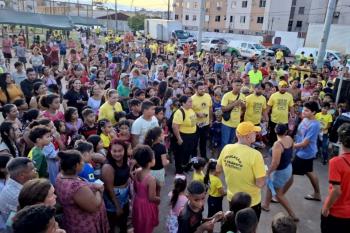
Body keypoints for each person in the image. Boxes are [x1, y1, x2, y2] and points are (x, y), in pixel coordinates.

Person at [216, 121, 266, 220]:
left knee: (235, 224)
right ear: (247, 136)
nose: (256, 134)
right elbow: (260, 183)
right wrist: (265, 173)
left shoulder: (226, 148)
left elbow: (218, 169)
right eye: (254, 132)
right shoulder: (256, 155)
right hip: (251, 201)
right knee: (249, 228)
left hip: (233, 198)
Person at [55, 150, 109, 233]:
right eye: (82, 161)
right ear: (77, 165)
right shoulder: (77, 188)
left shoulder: (60, 176)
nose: (83, 163)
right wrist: (99, 190)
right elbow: (94, 207)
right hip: (85, 226)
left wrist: (92, 185)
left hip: (72, 221)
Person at [285, 101, 321, 202]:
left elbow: (305, 143)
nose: (303, 112)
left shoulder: (314, 125)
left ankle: (279, 195)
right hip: (301, 150)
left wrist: (290, 146)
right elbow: (299, 134)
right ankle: (317, 194)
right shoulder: (305, 119)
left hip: (305, 153)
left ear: (313, 112)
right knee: (309, 172)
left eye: (307, 110)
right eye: (303, 109)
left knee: (289, 172)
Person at [261, 124, 298, 221]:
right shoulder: (289, 138)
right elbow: (292, 150)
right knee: (270, 185)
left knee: (278, 194)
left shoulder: (278, 144)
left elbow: (275, 163)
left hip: (281, 171)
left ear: (275, 131)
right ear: (286, 132)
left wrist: (268, 172)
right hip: (288, 167)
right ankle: (266, 205)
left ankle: (292, 214)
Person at [321, 123, 350, 233]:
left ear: (340, 139)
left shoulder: (336, 162)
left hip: (337, 213)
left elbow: (336, 191)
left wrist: (326, 207)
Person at [101, 140, 130, 233]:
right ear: (110, 151)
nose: (117, 154)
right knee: (112, 223)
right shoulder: (108, 167)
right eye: (114, 151)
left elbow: (125, 172)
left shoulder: (125, 160)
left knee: (123, 220)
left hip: (125, 194)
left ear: (124, 150)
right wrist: (117, 206)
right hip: (114, 197)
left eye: (120, 151)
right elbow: (109, 189)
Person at [0, 157, 37, 230]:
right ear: (22, 175)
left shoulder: (12, 182)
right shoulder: (18, 196)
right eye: (32, 169)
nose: (36, 170)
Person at [132, 145, 160, 233]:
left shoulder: (137, 171)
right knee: (147, 225)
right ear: (150, 162)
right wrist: (158, 199)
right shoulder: (151, 179)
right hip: (146, 206)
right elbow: (151, 198)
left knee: (139, 223)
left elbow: (136, 188)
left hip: (137, 202)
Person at [172, 95, 197, 174]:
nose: (191, 103)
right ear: (183, 103)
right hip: (183, 136)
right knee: (180, 154)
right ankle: (179, 170)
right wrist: (179, 138)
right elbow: (175, 126)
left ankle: (185, 167)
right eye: (189, 101)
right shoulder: (179, 112)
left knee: (188, 152)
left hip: (192, 135)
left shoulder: (190, 109)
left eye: (191, 101)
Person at [221, 78, 246, 147]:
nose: (238, 87)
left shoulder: (243, 96)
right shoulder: (227, 95)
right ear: (232, 85)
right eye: (237, 85)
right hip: (227, 123)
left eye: (240, 85)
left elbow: (244, 109)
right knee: (225, 142)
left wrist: (243, 105)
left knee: (232, 143)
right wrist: (234, 104)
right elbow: (223, 109)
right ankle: (223, 156)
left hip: (236, 123)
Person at [191, 81, 212, 159]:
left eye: (203, 89)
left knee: (203, 141)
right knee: (195, 142)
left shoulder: (208, 96)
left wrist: (211, 120)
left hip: (206, 124)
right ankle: (194, 158)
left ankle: (203, 156)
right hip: (196, 124)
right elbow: (189, 111)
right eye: (200, 89)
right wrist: (197, 114)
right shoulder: (192, 99)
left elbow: (210, 108)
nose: (203, 90)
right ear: (195, 89)